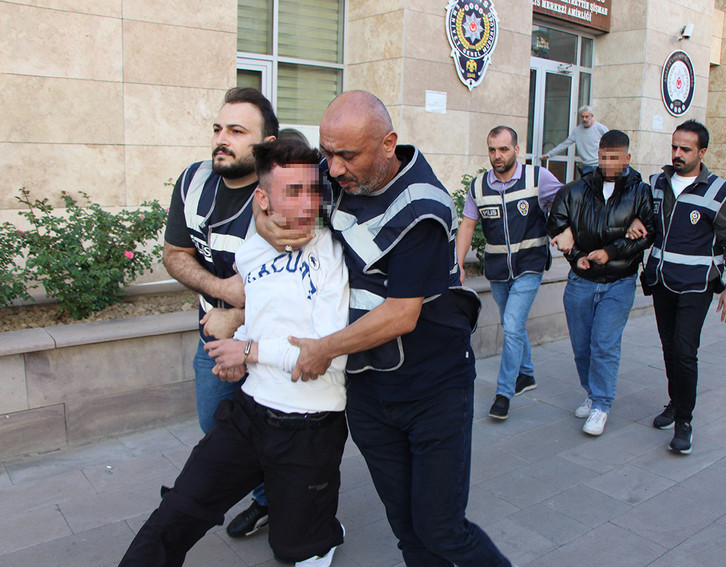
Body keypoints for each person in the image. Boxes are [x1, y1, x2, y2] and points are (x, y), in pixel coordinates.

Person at [255, 90, 515, 567]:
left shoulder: (423, 207)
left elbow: (401, 314)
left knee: (443, 529)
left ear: (388, 144)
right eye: (326, 152)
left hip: (433, 391)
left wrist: (322, 350)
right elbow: (278, 186)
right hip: (370, 394)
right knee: (406, 529)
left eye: (346, 156)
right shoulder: (338, 174)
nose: (332, 170)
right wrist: (262, 218)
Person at [120, 139, 350, 567]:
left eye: (314, 191)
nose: (308, 205)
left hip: (309, 427)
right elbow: (266, 313)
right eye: (293, 192)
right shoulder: (251, 250)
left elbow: (328, 356)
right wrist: (236, 346)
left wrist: (246, 350)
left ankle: (324, 529)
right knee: (178, 511)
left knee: (294, 549)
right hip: (249, 413)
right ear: (262, 199)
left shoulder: (334, 254)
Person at [162, 87, 277, 536]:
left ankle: (303, 508)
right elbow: (175, 253)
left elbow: (302, 274)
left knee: (283, 432)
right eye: (217, 128)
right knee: (217, 426)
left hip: (270, 341)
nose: (221, 139)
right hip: (212, 337)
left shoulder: (283, 191)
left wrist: (240, 313)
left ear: (266, 145)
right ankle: (268, 499)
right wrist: (223, 291)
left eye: (236, 130)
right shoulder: (193, 182)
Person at [642, 119, 726, 455]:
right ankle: (675, 400)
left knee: (685, 352)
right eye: (674, 147)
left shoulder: (718, 190)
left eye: (685, 149)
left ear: (702, 152)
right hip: (661, 281)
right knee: (669, 348)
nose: (677, 154)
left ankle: (684, 419)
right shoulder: (658, 183)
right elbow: (648, 221)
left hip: (697, 284)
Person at [547, 130, 655, 436]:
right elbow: (556, 221)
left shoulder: (640, 192)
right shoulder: (577, 190)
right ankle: (592, 392)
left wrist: (610, 252)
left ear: (627, 158)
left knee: (604, 343)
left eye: (615, 158)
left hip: (619, 280)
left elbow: (649, 233)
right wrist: (577, 254)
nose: (608, 163)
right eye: (604, 156)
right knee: (582, 346)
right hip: (581, 279)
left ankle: (602, 405)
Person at [456, 126, 562, 420]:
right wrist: (459, 264)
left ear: (517, 150)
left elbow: (568, 201)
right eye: (492, 149)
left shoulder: (537, 178)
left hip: (531, 264)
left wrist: (566, 233)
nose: (497, 155)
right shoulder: (479, 186)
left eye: (503, 149)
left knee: (512, 325)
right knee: (511, 322)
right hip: (498, 269)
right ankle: (526, 374)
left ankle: (504, 393)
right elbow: (467, 224)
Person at [543, 105, 608, 177]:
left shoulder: (600, 128)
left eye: (587, 116)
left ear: (592, 116)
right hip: (586, 166)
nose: (584, 119)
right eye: (582, 117)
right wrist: (549, 154)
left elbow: (611, 142)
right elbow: (564, 144)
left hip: (599, 165)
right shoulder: (577, 131)